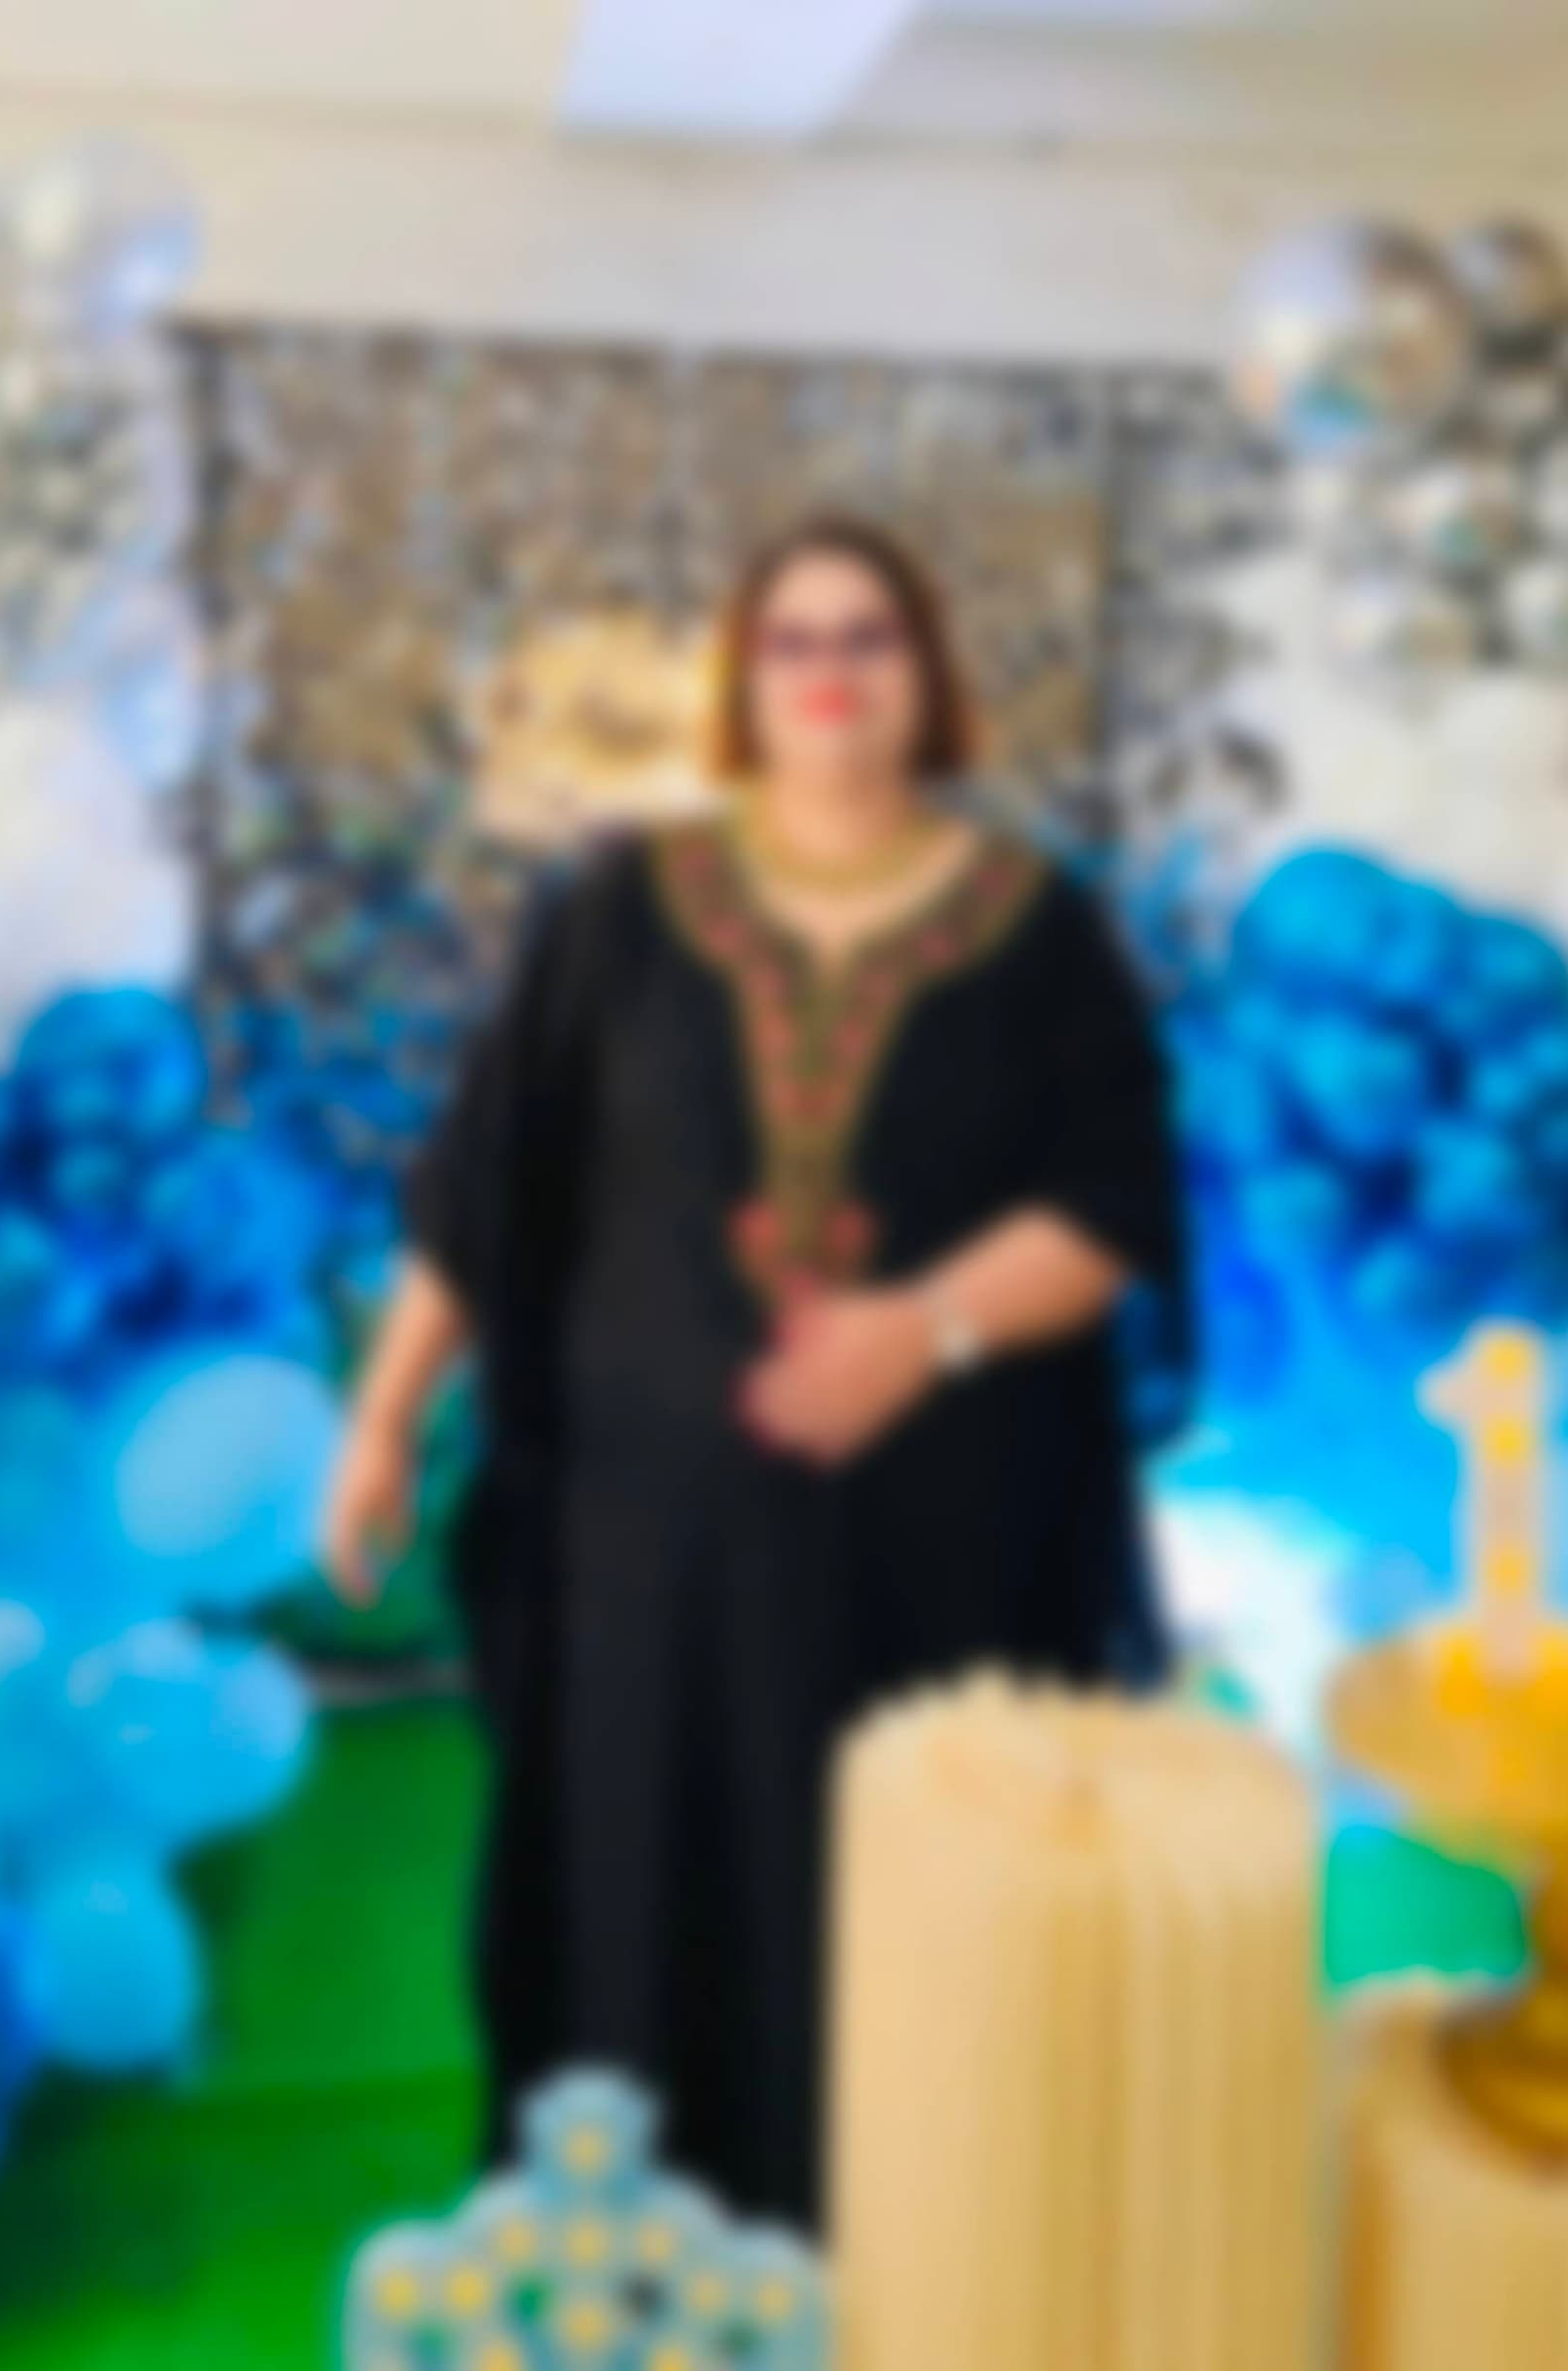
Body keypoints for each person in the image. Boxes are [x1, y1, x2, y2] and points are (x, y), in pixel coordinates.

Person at [322, 511, 1190, 2228]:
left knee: (908, 1929)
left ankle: (911, 2266)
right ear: (744, 680)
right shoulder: (621, 913)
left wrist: (922, 1330)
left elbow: (1113, 1212)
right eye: (793, 641)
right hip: (645, 1575)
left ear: (927, 672)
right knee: (639, 1905)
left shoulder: (1041, 930)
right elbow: (490, 1185)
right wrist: (387, 1416)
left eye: (870, 636)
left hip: (932, 1575)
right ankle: (642, 2251)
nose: (830, 672)